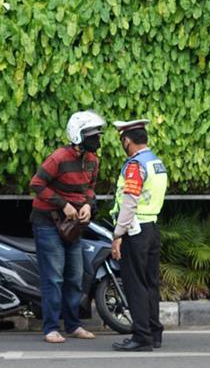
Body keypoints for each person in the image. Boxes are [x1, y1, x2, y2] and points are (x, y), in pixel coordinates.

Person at [28, 110, 103, 343]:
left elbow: (90, 188)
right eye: (92, 134)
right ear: (77, 135)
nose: (97, 139)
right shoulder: (58, 157)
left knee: (75, 276)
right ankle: (50, 327)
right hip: (47, 223)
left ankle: (73, 325)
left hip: (74, 226)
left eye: (98, 134)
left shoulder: (92, 161)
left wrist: (88, 205)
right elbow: (36, 183)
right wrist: (63, 205)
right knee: (54, 277)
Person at [109, 119, 168, 352]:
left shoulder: (135, 165)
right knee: (151, 284)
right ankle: (154, 333)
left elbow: (129, 202)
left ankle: (141, 336)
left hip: (135, 230)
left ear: (127, 140)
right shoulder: (156, 162)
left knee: (135, 285)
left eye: (123, 140)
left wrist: (117, 234)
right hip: (152, 228)